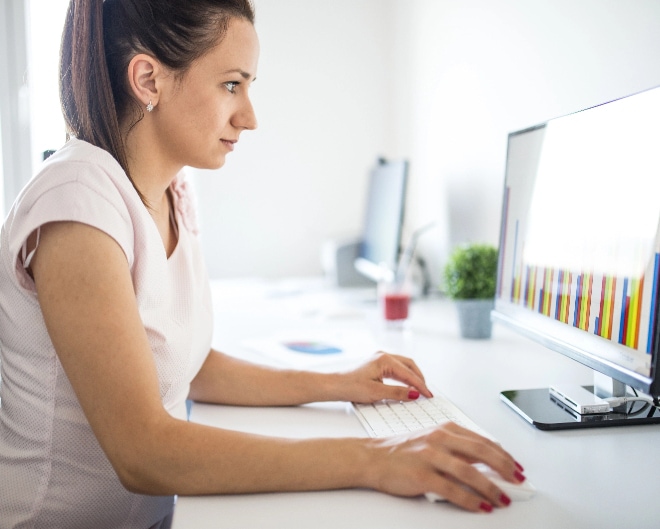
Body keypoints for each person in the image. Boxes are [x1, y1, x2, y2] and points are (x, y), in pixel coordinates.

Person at [0, 1, 527, 527]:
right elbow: (145, 452)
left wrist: (337, 382)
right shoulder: (78, 203)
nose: (249, 117)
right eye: (232, 84)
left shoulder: (170, 192)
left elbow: (189, 364)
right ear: (148, 79)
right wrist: (375, 458)